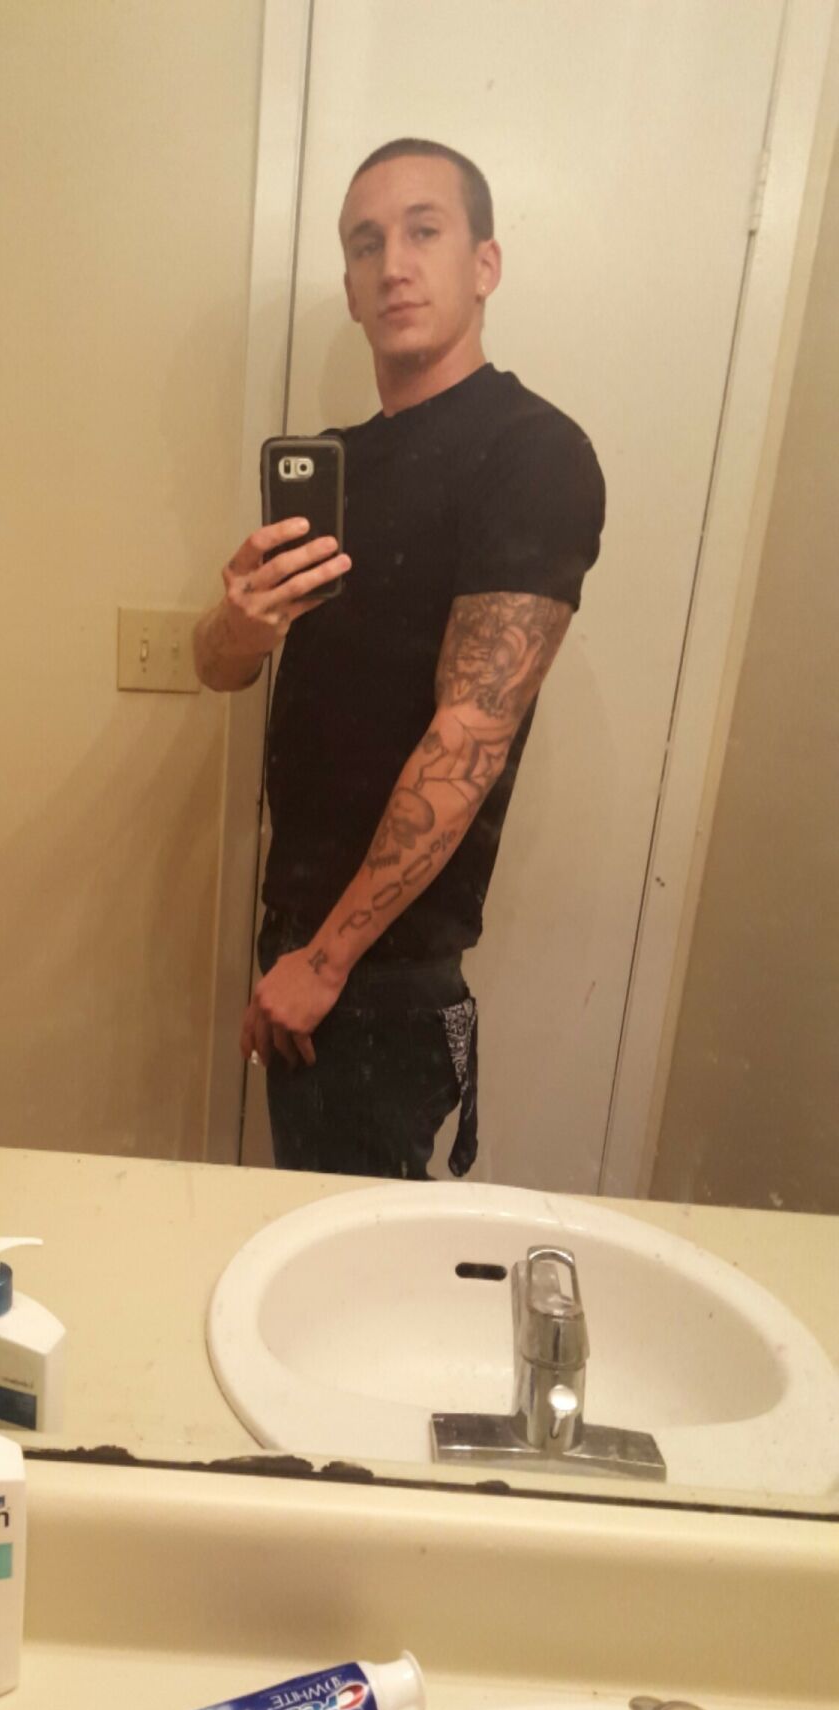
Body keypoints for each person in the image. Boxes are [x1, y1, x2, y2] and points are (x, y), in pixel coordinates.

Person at [193, 138, 605, 1179]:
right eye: (366, 244)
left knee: (355, 1248)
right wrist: (242, 623)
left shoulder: (531, 452)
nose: (394, 265)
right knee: (314, 1222)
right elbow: (218, 668)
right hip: (303, 932)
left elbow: (471, 734)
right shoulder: (338, 465)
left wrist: (327, 961)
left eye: (425, 231)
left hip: (379, 969)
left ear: (485, 263)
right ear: (349, 286)